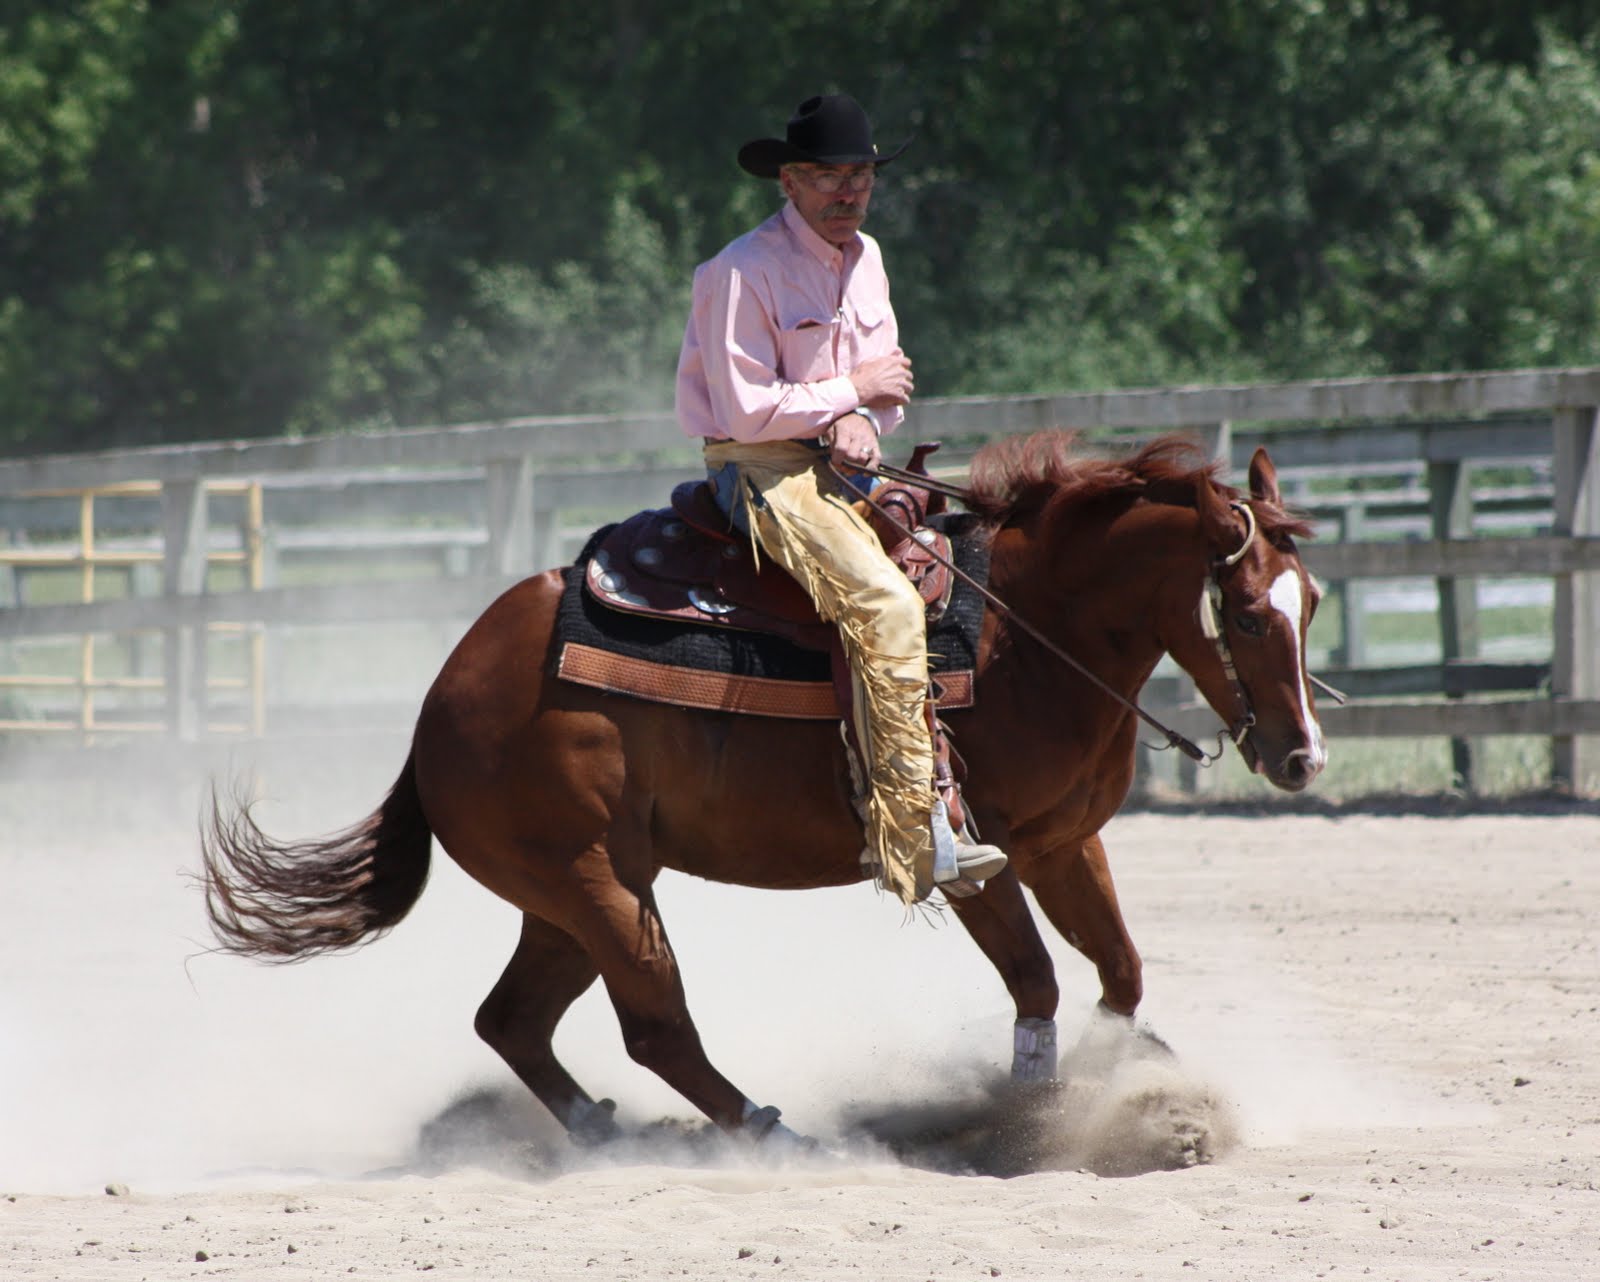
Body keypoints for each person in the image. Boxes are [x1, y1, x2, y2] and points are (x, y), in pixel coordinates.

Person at [674, 92, 1007, 905]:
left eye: (860, 174)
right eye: (827, 175)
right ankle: (911, 831)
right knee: (885, 606)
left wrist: (862, 414)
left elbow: (889, 384)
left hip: (845, 462)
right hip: (760, 470)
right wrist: (850, 395)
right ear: (788, 181)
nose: (847, 190)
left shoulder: (870, 260)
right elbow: (746, 410)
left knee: (973, 568)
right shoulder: (740, 271)